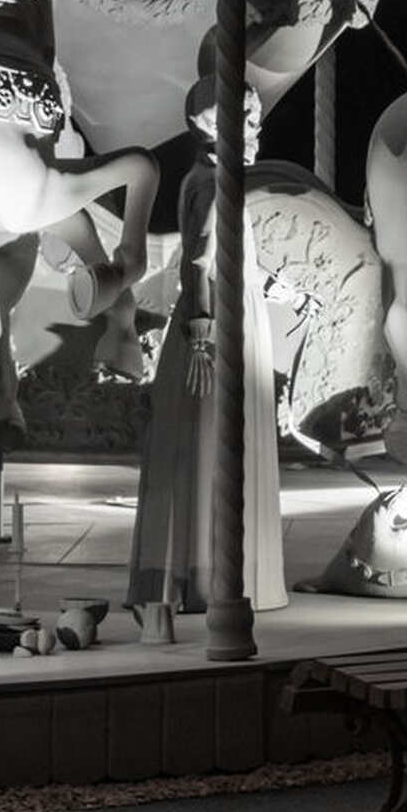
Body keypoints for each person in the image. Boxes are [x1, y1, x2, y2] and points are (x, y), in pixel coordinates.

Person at [127, 46, 288, 624]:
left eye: (255, 120)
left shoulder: (208, 176)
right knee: (213, 439)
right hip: (219, 318)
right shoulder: (218, 181)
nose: (256, 131)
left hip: (226, 308)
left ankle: (203, 570)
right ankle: (212, 575)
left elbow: (225, 255)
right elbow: (198, 261)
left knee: (208, 439)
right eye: (247, 121)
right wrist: (202, 329)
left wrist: (277, 290)